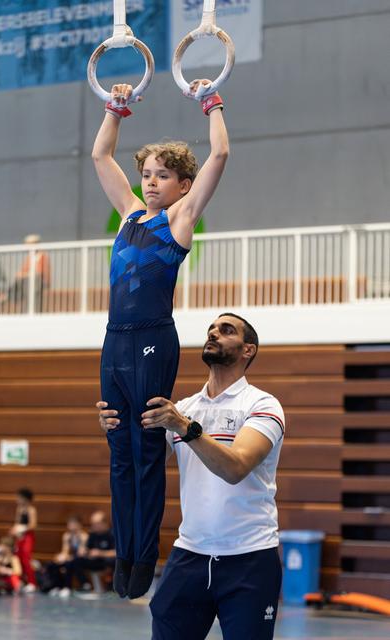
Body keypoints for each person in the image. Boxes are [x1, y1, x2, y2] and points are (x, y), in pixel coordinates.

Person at [93, 79, 229, 599]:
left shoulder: (181, 218)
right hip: (113, 339)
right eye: (147, 175)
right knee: (118, 451)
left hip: (152, 338)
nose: (151, 183)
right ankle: (123, 556)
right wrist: (116, 108)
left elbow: (220, 151)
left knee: (147, 449)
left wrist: (210, 102)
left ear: (183, 183)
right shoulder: (129, 214)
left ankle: (144, 558)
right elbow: (100, 153)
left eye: (163, 176)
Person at [99, 313, 285, 640]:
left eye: (226, 331)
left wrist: (184, 427)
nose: (213, 333)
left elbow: (236, 466)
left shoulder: (262, 405)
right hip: (190, 556)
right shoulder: (184, 407)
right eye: (211, 329)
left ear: (248, 350)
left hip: (250, 559)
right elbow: (142, 462)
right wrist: (114, 428)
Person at [63, 510, 115, 596]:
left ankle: (112, 586)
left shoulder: (113, 534)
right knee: (74, 561)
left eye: (95, 523)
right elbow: (87, 548)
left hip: (107, 561)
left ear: (103, 523)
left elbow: (117, 553)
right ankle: (84, 584)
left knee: (115, 561)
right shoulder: (92, 534)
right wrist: (84, 551)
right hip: (95, 561)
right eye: (92, 523)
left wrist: (100, 553)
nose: (93, 526)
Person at [44, 515, 88, 597]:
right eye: (69, 524)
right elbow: (65, 550)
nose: (71, 526)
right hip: (71, 558)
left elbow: (81, 552)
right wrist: (62, 557)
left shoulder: (83, 536)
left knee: (69, 564)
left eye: (73, 524)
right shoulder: (67, 536)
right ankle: (57, 586)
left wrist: (69, 557)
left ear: (79, 525)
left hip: (81, 560)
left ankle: (67, 587)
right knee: (52, 564)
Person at [7, 234, 50, 310]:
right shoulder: (30, 257)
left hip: (39, 281)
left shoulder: (42, 256)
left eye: (29, 243)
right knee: (20, 282)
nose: (27, 246)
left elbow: (40, 272)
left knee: (31, 283)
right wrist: (21, 274)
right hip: (28, 282)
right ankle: (10, 296)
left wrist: (25, 274)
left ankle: (9, 297)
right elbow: (24, 269)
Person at [10, 487, 37, 593]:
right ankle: (21, 581)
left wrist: (23, 528)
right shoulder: (19, 509)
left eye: (19, 498)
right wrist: (15, 529)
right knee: (18, 558)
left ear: (25, 499)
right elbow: (17, 522)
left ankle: (32, 582)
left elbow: (33, 525)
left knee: (26, 558)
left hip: (28, 536)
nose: (17, 499)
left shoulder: (31, 510)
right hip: (20, 536)